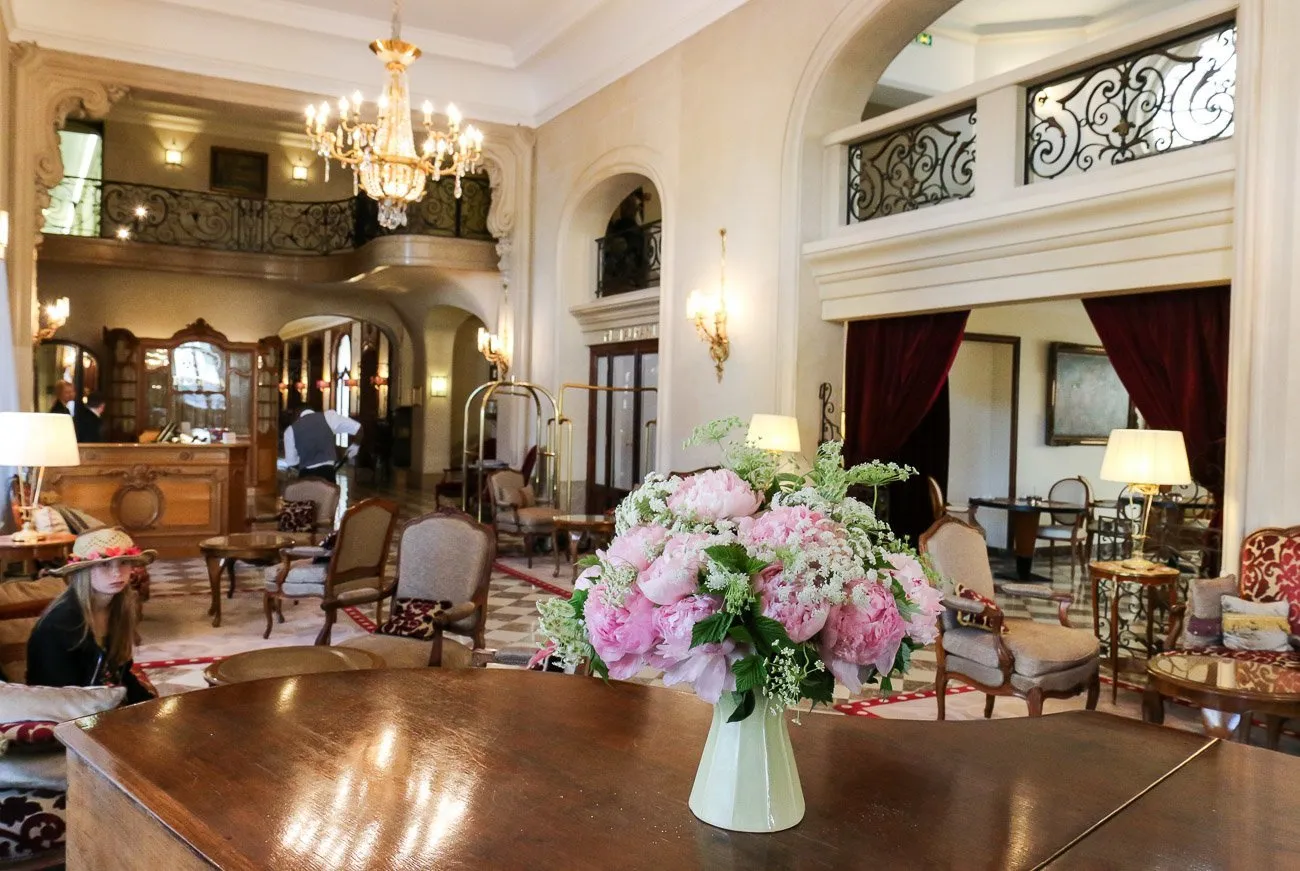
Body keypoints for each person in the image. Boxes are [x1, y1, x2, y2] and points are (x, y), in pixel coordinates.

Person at [26, 528, 157, 704]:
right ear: (84, 570)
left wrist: (150, 705)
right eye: (104, 564)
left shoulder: (118, 608)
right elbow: (59, 695)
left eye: (123, 562)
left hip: (103, 701)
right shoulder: (60, 624)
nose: (117, 572)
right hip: (65, 712)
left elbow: (121, 673)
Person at [282, 406, 361, 482]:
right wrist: (355, 446)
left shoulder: (290, 430)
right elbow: (358, 428)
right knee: (329, 494)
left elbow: (292, 462)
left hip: (306, 475)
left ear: (297, 415)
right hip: (328, 474)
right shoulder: (328, 418)